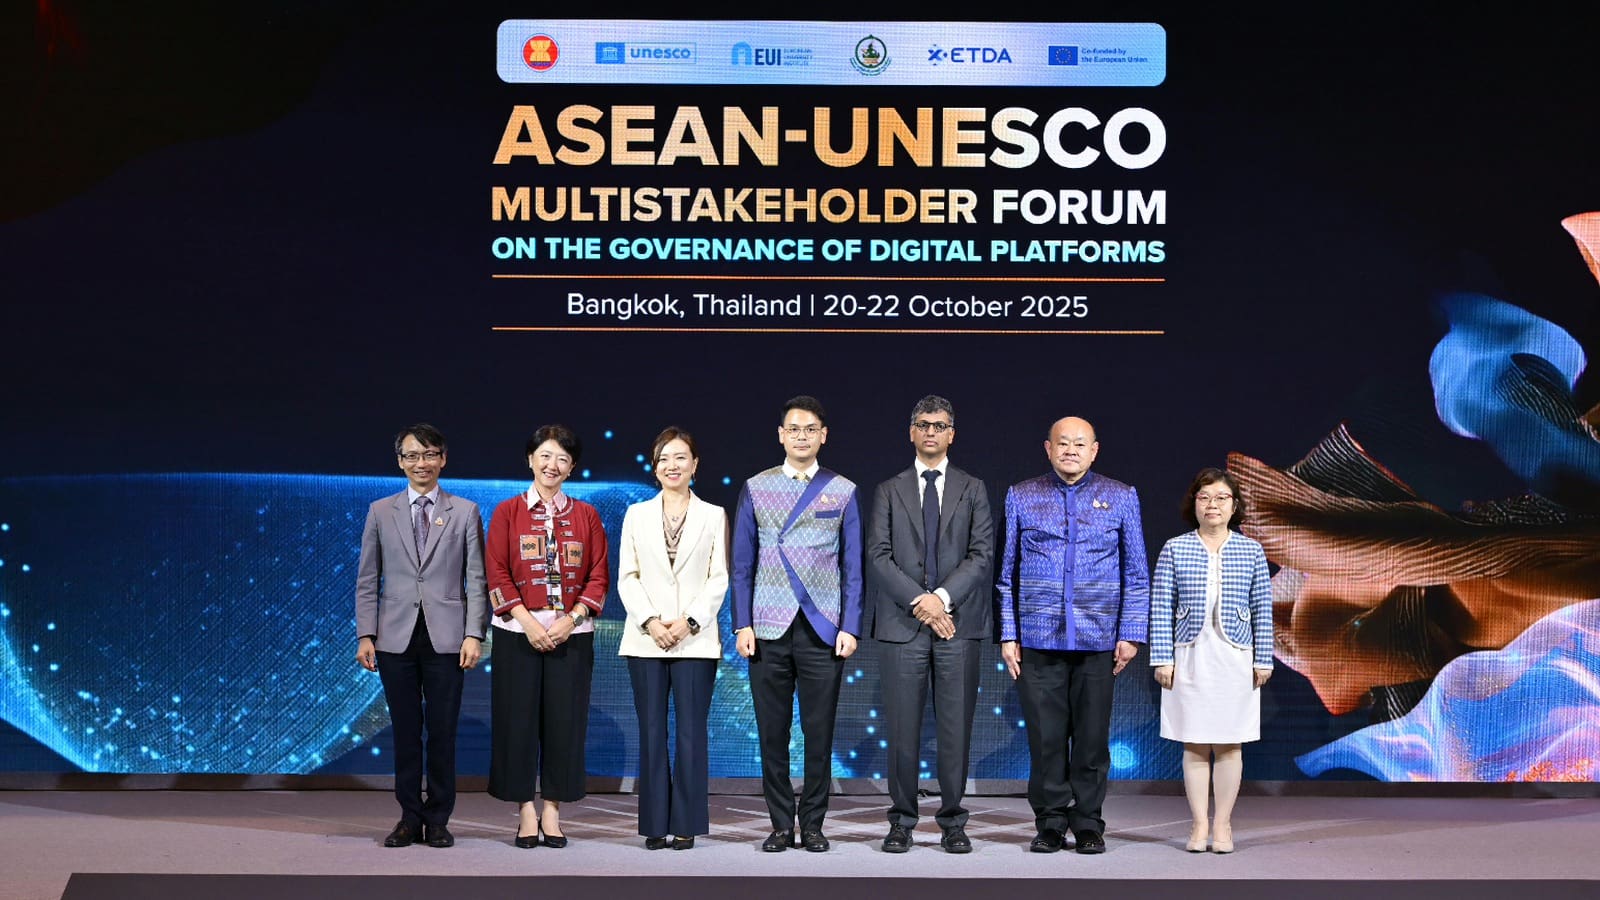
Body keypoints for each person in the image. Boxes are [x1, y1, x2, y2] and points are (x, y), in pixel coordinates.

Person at [996, 416, 1149, 855]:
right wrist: (1009, 633)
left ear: (1094, 450)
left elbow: (1137, 573)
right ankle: (1048, 822)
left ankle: (1088, 823)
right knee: (1045, 738)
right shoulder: (1022, 496)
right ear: (1047, 448)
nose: (1070, 451)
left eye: (1079, 444)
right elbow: (1006, 575)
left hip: (1099, 638)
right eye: (1062, 443)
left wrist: (1131, 633)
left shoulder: (1120, 497)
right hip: (1038, 638)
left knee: (1091, 738)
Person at [732, 395, 863, 853]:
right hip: (767, 627)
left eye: (811, 429)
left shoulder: (842, 489)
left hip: (823, 629)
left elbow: (853, 567)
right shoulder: (755, 487)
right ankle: (779, 824)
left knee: (819, 733)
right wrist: (741, 623)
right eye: (794, 428)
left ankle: (813, 824)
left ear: (823, 435)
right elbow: (742, 563)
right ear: (780, 435)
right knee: (772, 733)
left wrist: (850, 626)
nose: (802, 436)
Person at [867, 395, 993, 854]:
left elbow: (981, 557)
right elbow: (878, 556)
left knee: (955, 730)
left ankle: (953, 821)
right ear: (911, 431)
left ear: (952, 434)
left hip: (959, 626)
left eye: (940, 425)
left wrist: (940, 599)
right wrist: (921, 602)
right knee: (902, 730)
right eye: (923, 424)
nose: (931, 433)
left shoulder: (973, 488)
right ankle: (901, 820)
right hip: (902, 626)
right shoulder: (888, 489)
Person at [354, 423, 489, 849]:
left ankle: (439, 819)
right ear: (400, 462)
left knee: (443, 731)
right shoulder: (380, 511)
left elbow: (476, 579)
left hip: (447, 639)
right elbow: (366, 579)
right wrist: (365, 634)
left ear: (443, 459)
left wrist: (474, 634)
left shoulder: (465, 511)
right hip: (394, 639)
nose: (421, 463)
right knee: (406, 730)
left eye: (430, 454)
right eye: (412, 456)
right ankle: (409, 817)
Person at [485, 424, 610, 849]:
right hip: (517, 632)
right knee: (516, 722)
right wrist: (529, 622)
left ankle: (553, 812)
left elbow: (598, 576)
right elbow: (497, 573)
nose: (551, 464)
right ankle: (524, 811)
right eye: (544, 455)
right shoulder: (507, 512)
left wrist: (570, 620)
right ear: (530, 459)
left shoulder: (587, 515)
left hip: (571, 635)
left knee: (565, 724)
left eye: (561, 458)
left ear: (572, 467)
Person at [1149, 467, 1274, 854]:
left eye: (1221, 498)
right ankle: (1198, 825)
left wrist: (1263, 658)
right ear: (1194, 504)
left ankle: (1223, 826)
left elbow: (1263, 607)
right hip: (1189, 654)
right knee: (1195, 744)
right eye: (1205, 498)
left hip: (1235, 656)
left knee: (1230, 745)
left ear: (1234, 505)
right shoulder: (1175, 547)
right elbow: (1160, 606)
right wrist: (1161, 658)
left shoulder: (1251, 549)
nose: (1212, 505)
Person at [616, 427, 729, 851]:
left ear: (695, 465)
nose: (672, 465)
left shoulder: (714, 515)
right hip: (645, 640)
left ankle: (686, 823)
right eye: (664, 458)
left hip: (695, 641)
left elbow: (719, 578)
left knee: (690, 734)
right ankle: (653, 825)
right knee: (651, 732)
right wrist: (651, 622)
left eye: (680, 457)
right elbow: (627, 576)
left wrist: (689, 623)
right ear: (654, 465)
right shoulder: (636, 515)